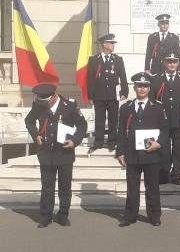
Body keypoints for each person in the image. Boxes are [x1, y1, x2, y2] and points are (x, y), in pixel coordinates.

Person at [24, 83, 87, 228]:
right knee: (47, 187)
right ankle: (46, 216)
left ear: (53, 97)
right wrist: (35, 135)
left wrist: (75, 141)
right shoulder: (39, 105)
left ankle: (63, 215)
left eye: (45, 101)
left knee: (65, 187)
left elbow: (82, 125)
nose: (42, 104)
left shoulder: (69, 106)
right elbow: (29, 120)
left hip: (64, 153)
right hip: (46, 153)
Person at [115, 73, 169, 227]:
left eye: (145, 86)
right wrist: (120, 152)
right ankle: (130, 216)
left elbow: (165, 130)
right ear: (134, 87)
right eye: (139, 86)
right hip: (132, 153)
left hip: (151, 153)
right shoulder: (126, 108)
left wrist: (159, 143)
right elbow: (121, 131)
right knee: (132, 187)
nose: (142, 89)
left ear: (149, 88)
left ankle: (154, 216)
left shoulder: (157, 107)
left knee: (152, 187)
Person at [149, 53, 180, 185]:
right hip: (162, 121)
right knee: (163, 148)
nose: (172, 64)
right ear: (164, 62)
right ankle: (163, 175)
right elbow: (152, 100)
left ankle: (177, 176)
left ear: (178, 63)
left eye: (174, 61)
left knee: (179, 150)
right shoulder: (156, 79)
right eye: (169, 61)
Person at [87, 33, 128, 152]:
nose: (113, 45)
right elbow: (90, 79)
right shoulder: (94, 60)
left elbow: (123, 76)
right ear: (104, 44)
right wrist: (90, 95)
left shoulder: (117, 59)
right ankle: (98, 142)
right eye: (111, 43)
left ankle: (112, 142)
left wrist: (124, 91)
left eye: (113, 43)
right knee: (99, 119)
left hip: (112, 95)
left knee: (113, 119)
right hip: (98, 95)